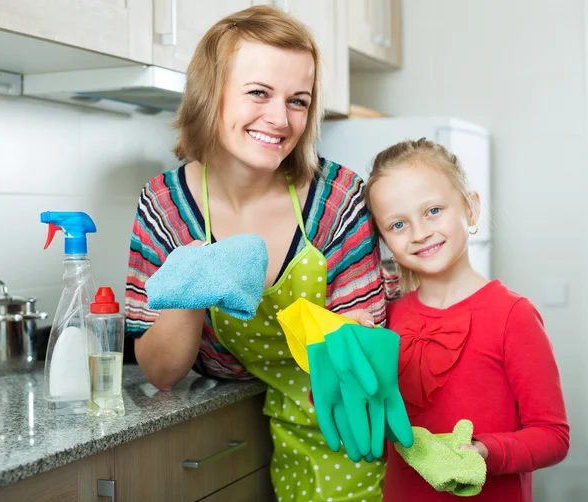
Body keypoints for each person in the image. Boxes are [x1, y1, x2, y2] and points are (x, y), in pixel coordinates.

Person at [125, 6, 388, 501]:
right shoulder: (165, 206)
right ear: (212, 93)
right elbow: (160, 373)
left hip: (339, 419)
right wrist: (191, 280)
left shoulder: (336, 199)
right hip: (257, 417)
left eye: (298, 101)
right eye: (259, 93)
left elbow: (363, 344)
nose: (280, 119)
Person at [354, 138, 569, 501]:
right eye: (398, 225)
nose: (420, 233)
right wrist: (347, 348)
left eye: (433, 210)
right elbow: (359, 425)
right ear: (383, 239)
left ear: (471, 208)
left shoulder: (513, 316)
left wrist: (484, 451)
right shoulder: (385, 321)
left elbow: (553, 436)